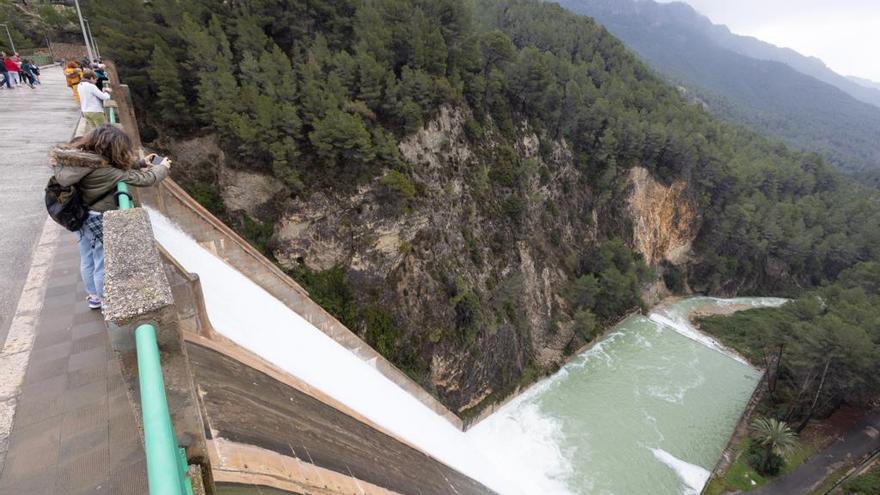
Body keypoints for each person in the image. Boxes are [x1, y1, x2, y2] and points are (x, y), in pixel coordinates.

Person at [49, 125, 172, 309]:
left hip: (80, 213)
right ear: (112, 149)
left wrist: (140, 163)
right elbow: (144, 179)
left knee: (87, 256)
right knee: (102, 261)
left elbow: (112, 167)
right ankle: (107, 302)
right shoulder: (103, 171)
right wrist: (163, 168)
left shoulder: (83, 159)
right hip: (97, 217)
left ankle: (93, 297)